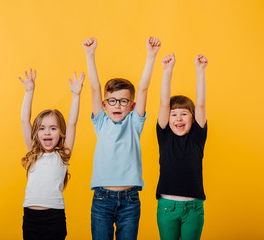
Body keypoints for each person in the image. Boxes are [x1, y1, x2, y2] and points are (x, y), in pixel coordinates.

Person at [82, 37, 161, 240]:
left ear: (132, 105)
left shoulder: (134, 123)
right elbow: (94, 88)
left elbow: (143, 89)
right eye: (112, 101)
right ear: (104, 104)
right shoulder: (101, 122)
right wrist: (90, 55)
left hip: (130, 200)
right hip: (101, 198)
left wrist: (151, 56)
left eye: (123, 101)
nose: (117, 105)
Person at [19, 68, 85, 240]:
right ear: (36, 133)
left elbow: (72, 123)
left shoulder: (62, 156)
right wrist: (29, 92)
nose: (47, 132)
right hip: (31, 218)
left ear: (61, 133)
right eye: (42, 128)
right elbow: (24, 120)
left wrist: (76, 95)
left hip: (54, 218)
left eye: (53, 128)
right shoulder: (33, 154)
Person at [156, 53, 208, 240]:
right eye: (174, 114)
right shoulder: (164, 135)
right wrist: (167, 71)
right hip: (167, 207)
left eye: (184, 114)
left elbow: (200, 105)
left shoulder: (197, 137)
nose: (178, 118)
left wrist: (200, 71)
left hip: (193, 208)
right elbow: (164, 103)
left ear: (193, 118)